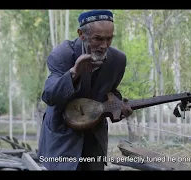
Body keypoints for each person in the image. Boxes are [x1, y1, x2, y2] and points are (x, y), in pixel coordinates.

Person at [38, 10, 133, 171]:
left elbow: (111, 92)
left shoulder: (118, 60)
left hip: (94, 137)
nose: (104, 45)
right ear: (81, 34)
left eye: (109, 38)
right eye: (98, 38)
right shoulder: (62, 55)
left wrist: (118, 105)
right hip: (63, 138)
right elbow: (50, 96)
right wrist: (74, 72)